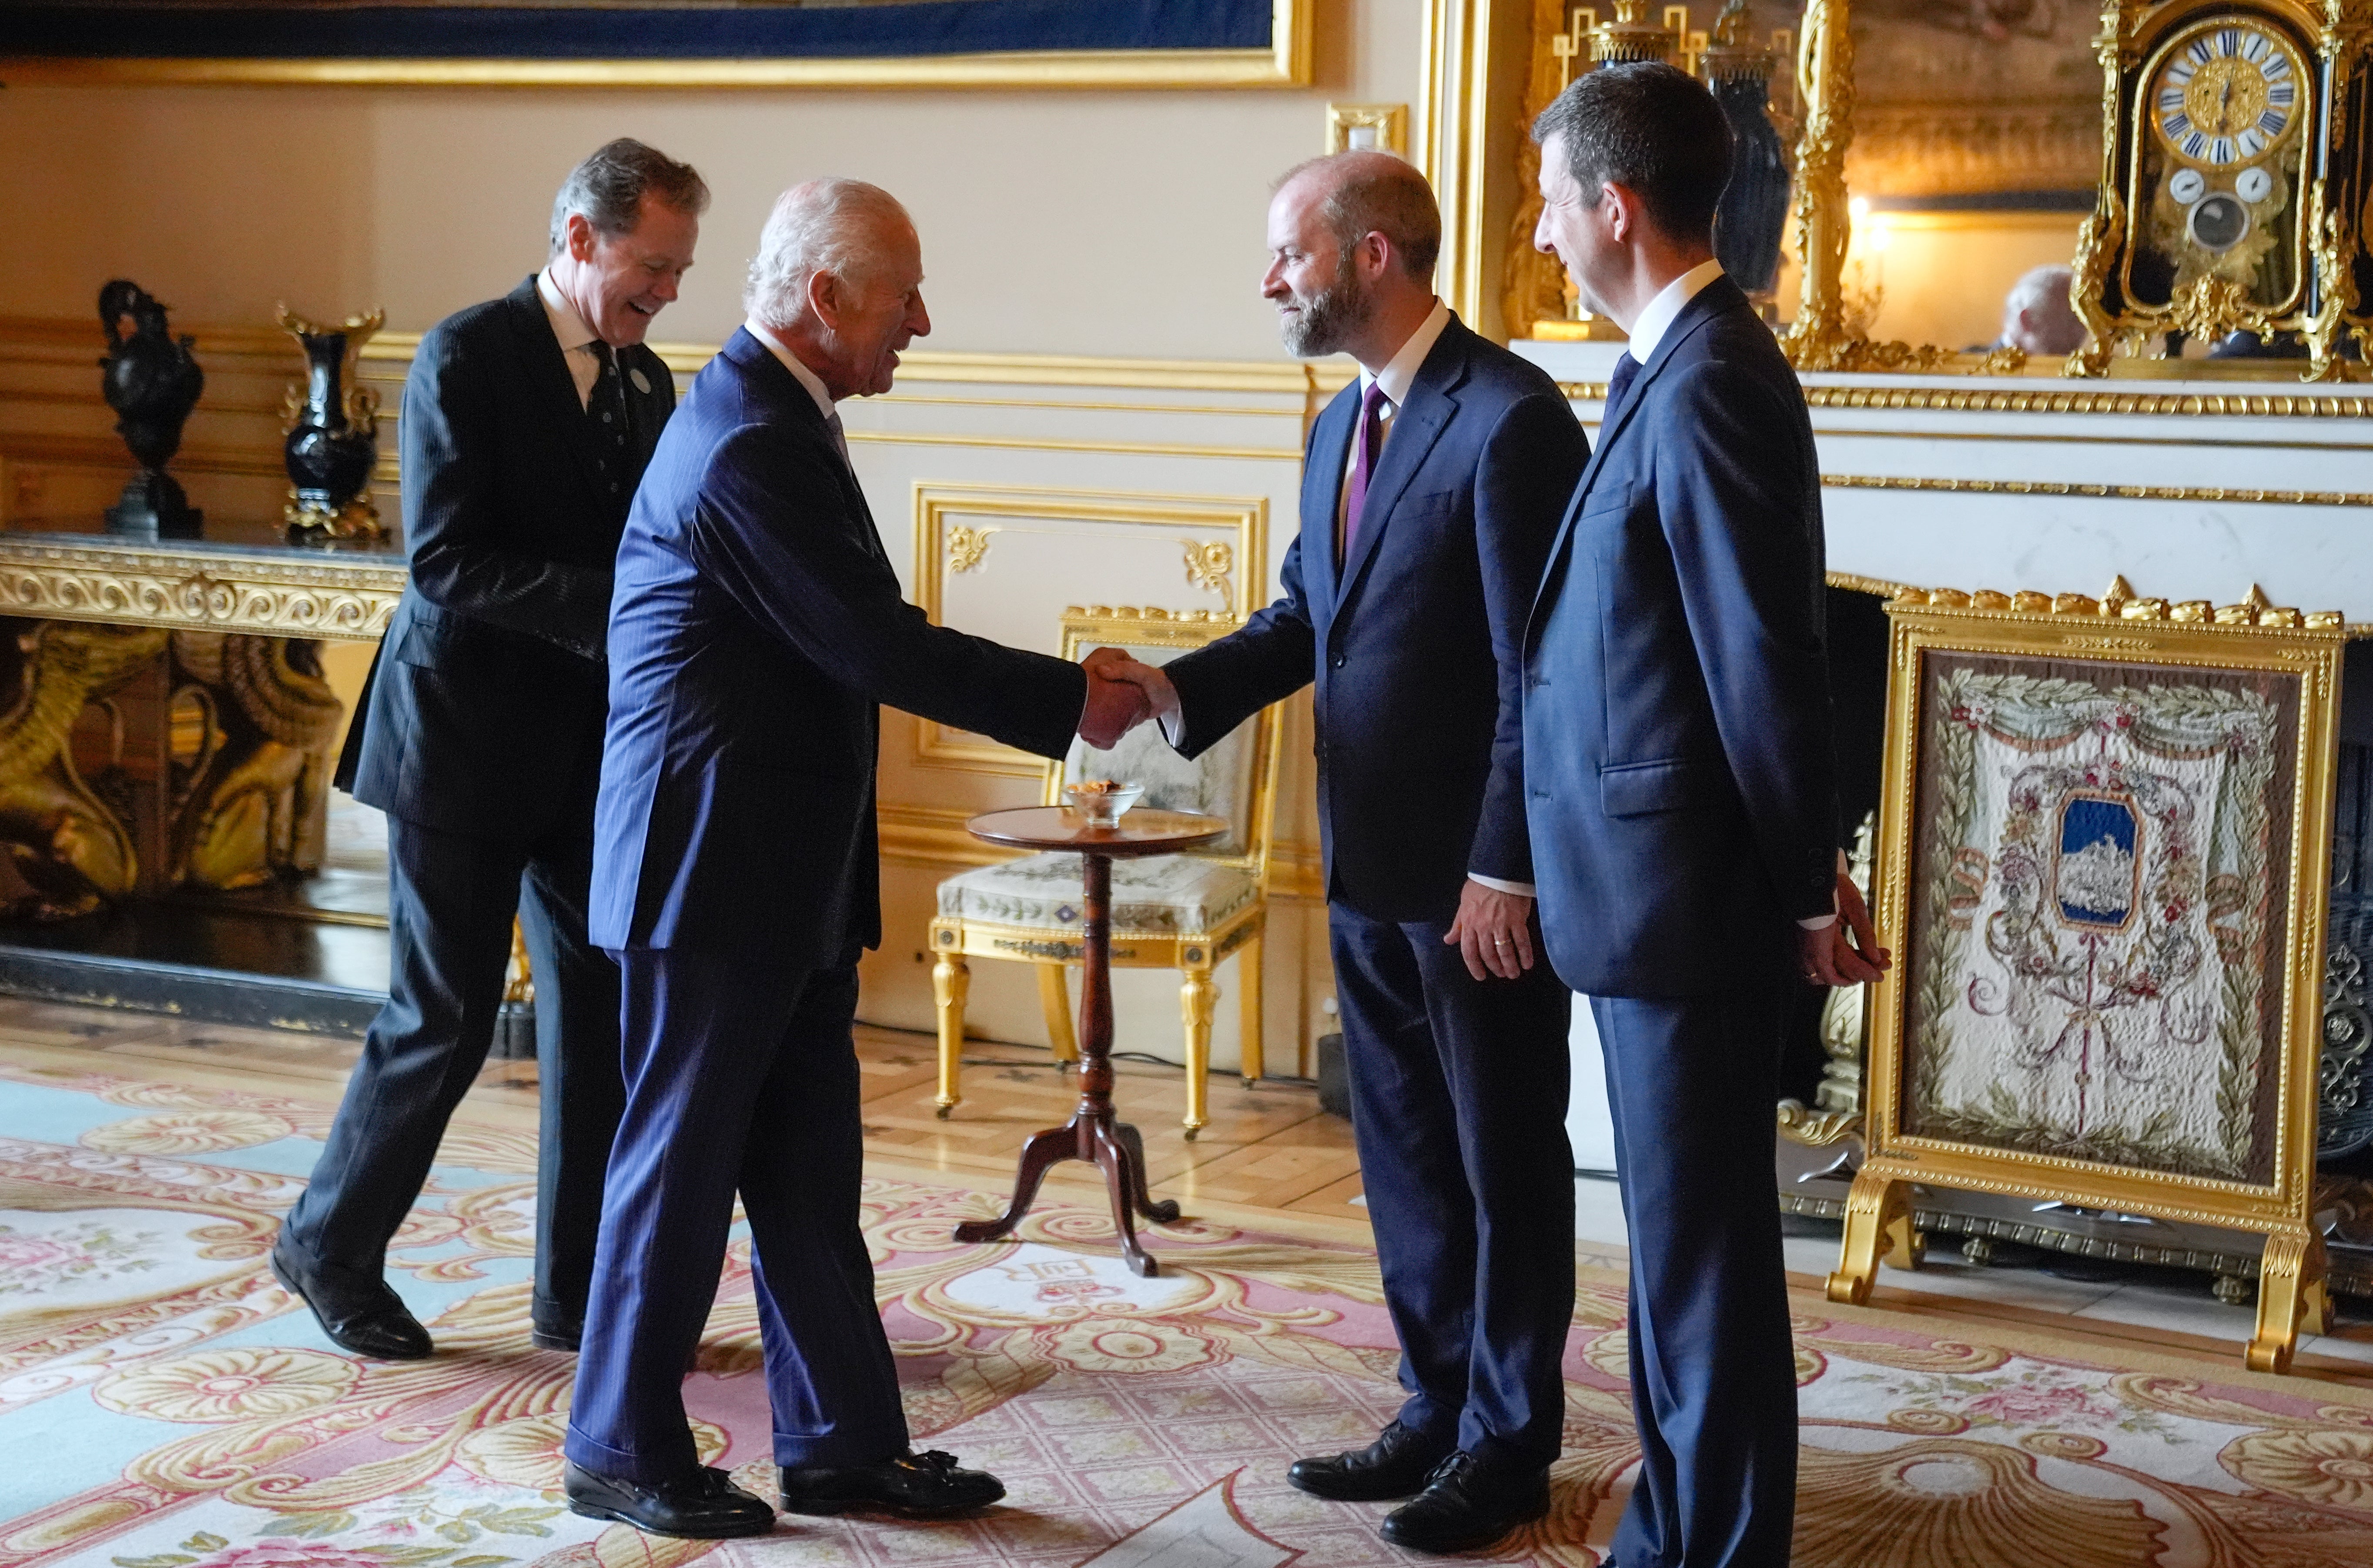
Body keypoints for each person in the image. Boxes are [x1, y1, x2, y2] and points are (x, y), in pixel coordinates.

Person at [559, 178, 1148, 1539]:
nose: (921, 322)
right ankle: (615, 1438)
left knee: (808, 1170)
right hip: (708, 872)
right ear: (825, 300)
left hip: (775, 869)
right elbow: (876, 644)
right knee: (680, 1164)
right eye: (904, 296)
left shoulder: (776, 417)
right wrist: (1075, 701)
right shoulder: (750, 441)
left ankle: (841, 1448)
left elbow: (850, 638)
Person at [1097, 150, 1588, 1555]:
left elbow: (1530, 676)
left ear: (1371, 254)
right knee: (1404, 1158)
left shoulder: (1509, 421)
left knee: (1502, 1159)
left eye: (1285, 254)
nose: (1267, 280)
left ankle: (1507, 1446)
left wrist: (1507, 868)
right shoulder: (1337, 427)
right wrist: (1170, 690)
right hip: (1364, 863)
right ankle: (1433, 1405)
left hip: (1475, 886)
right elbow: (1305, 617)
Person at [1523, 64, 1890, 1568]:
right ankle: (1673, 1524)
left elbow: (1762, 654)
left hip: (1689, 896)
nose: (1542, 236)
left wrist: (1807, 884)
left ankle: (1716, 1545)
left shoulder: (1717, 373)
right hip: (1645, 892)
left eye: (1552, 205)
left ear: (1613, 206)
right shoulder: (1664, 367)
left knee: (1703, 1262)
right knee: (1678, 1254)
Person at [273, 139, 707, 1361]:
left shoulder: (649, 383)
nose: (666, 293)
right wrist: (620, 614)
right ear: (580, 237)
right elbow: (446, 561)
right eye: (651, 266)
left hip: (584, 755)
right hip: (456, 746)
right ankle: (328, 1244)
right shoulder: (467, 352)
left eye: (679, 270)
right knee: (445, 1012)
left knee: (596, 1012)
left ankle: (575, 1294)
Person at [1997, 263, 2085, 356]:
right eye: (2070, 320)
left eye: (2082, 318)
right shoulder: (1981, 366)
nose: (2080, 331)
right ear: (2027, 321)